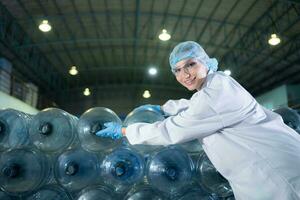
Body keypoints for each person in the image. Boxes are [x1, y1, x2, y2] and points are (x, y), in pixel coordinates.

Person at [96, 41, 300, 200]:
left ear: (205, 62)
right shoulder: (214, 86)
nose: (184, 74)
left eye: (190, 65)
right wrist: (162, 108)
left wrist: (124, 131)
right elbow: (192, 105)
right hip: (258, 173)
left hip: (276, 171)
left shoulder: (214, 94)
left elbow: (172, 130)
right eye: (177, 70)